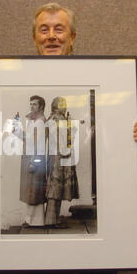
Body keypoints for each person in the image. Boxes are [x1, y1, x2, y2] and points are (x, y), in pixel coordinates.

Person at [29, 2, 137, 274]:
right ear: (35, 38)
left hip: (103, 194)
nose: (51, 36)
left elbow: (112, 136)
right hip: (45, 166)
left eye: (59, 29)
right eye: (43, 30)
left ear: (72, 37)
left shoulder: (101, 82)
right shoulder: (12, 82)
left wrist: (136, 134)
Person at [45, 97, 79, 228]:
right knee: (55, 186)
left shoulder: (59, 119)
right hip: (58, 157)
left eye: (65, 104)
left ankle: (54, 219)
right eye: (61, 104)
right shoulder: (55, 119)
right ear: (55, 106)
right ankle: (51, 220)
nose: (64, 106)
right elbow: (62, 138)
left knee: (58, 187)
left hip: (61, 156)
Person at [17, 95, 47, 227]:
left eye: (35, 104)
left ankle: (36, 222)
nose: (32, 106)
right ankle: (31, 221)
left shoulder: (40, 122)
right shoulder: (32, 121)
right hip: (29, 157)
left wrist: (34, 162)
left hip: (35, 159)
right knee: (31, 191)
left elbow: (38, 145)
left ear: (41, 106)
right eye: (31, 104)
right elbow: (26, 139)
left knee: (35, 191)